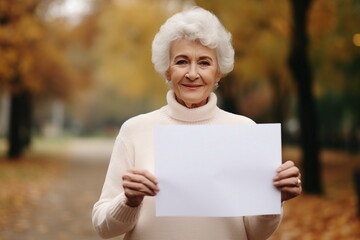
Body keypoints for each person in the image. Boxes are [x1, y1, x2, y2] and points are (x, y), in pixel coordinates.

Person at [92, 7, 302, 240]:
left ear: (218, 72)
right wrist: (128, 201)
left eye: (204, 63)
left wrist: (274, 198)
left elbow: (255, 233)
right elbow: (103, 228)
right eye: (182, 62)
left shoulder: (245, 131)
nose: (193, 73)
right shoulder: (135, 130)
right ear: (167, 71)